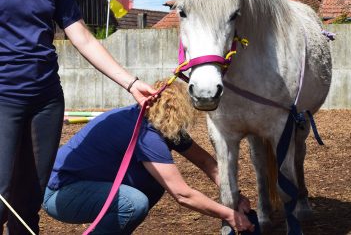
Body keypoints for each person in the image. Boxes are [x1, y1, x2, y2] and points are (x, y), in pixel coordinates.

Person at [0, 0, 156, 234]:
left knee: (28, 203)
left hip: (46, 102)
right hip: (4, 99)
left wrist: (131, 83)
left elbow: (82, 36)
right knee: (1, 200)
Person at [43, 81, 255, 234]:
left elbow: (206, 162)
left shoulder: (158, 121)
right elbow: (182, 195)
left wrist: (234, 195)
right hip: (59, 194)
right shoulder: (146, 135)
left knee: (152, 185)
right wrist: (229, 215)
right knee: (133, 203)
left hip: (80, 185)